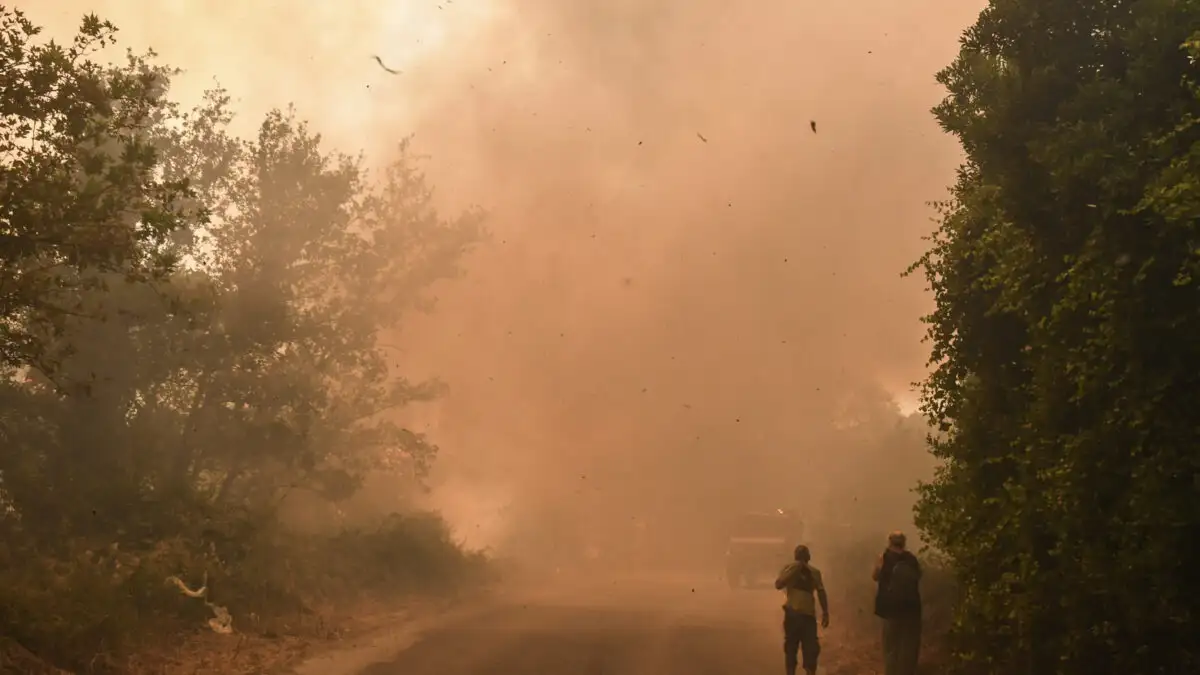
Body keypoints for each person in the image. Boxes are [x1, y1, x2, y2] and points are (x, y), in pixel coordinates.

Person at [872, 531, 922, 675]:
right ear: (904, 542)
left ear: (890, 542)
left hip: (890, 610)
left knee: (890, 647)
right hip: (911, 610)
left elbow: (875, 576)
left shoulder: (884, 557)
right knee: (909, 647)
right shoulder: (911, 559)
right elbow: (918, 576)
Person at [776, 544, 830, 675]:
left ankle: (806, 671)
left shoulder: (813, 572)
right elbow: (779, 584)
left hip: (803, 616)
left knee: (806, 648)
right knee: (794, 648)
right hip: (797, 615)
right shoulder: (790, 569)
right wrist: (825, 612)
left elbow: (821, 592)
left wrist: (825, 613)